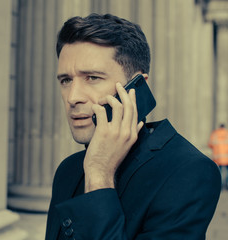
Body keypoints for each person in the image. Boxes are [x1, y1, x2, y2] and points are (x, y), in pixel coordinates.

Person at [45, 13, 221, 240]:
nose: (73, 97)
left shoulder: (189, 171)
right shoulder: (68, 170)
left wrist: (99, 176)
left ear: (135, 88)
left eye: (92, 78)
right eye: (66, 80)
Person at [209, 123, 228, 189]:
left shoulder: (215, 134)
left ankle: (220, 185)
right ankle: (226, 185)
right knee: (227, 172)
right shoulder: (227, 133)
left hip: (218, 158)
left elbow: (210, 144)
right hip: (227, 157)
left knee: (219, 172)